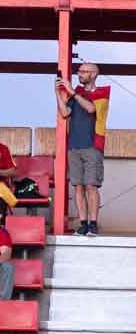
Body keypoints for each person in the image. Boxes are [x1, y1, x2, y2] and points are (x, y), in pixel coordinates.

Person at [56, 63, 109, 235]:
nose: (80, 74)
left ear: (94, 74)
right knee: (77, 186)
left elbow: (91, 108)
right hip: (74, 145)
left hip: (92, 145)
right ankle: (83, 223)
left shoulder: (102, 93)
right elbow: (65, 113)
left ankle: (93, 223)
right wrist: (57, 93)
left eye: (84, 71)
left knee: (91, 186)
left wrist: (72, 92)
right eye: (79, 71)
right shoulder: (76, 92)